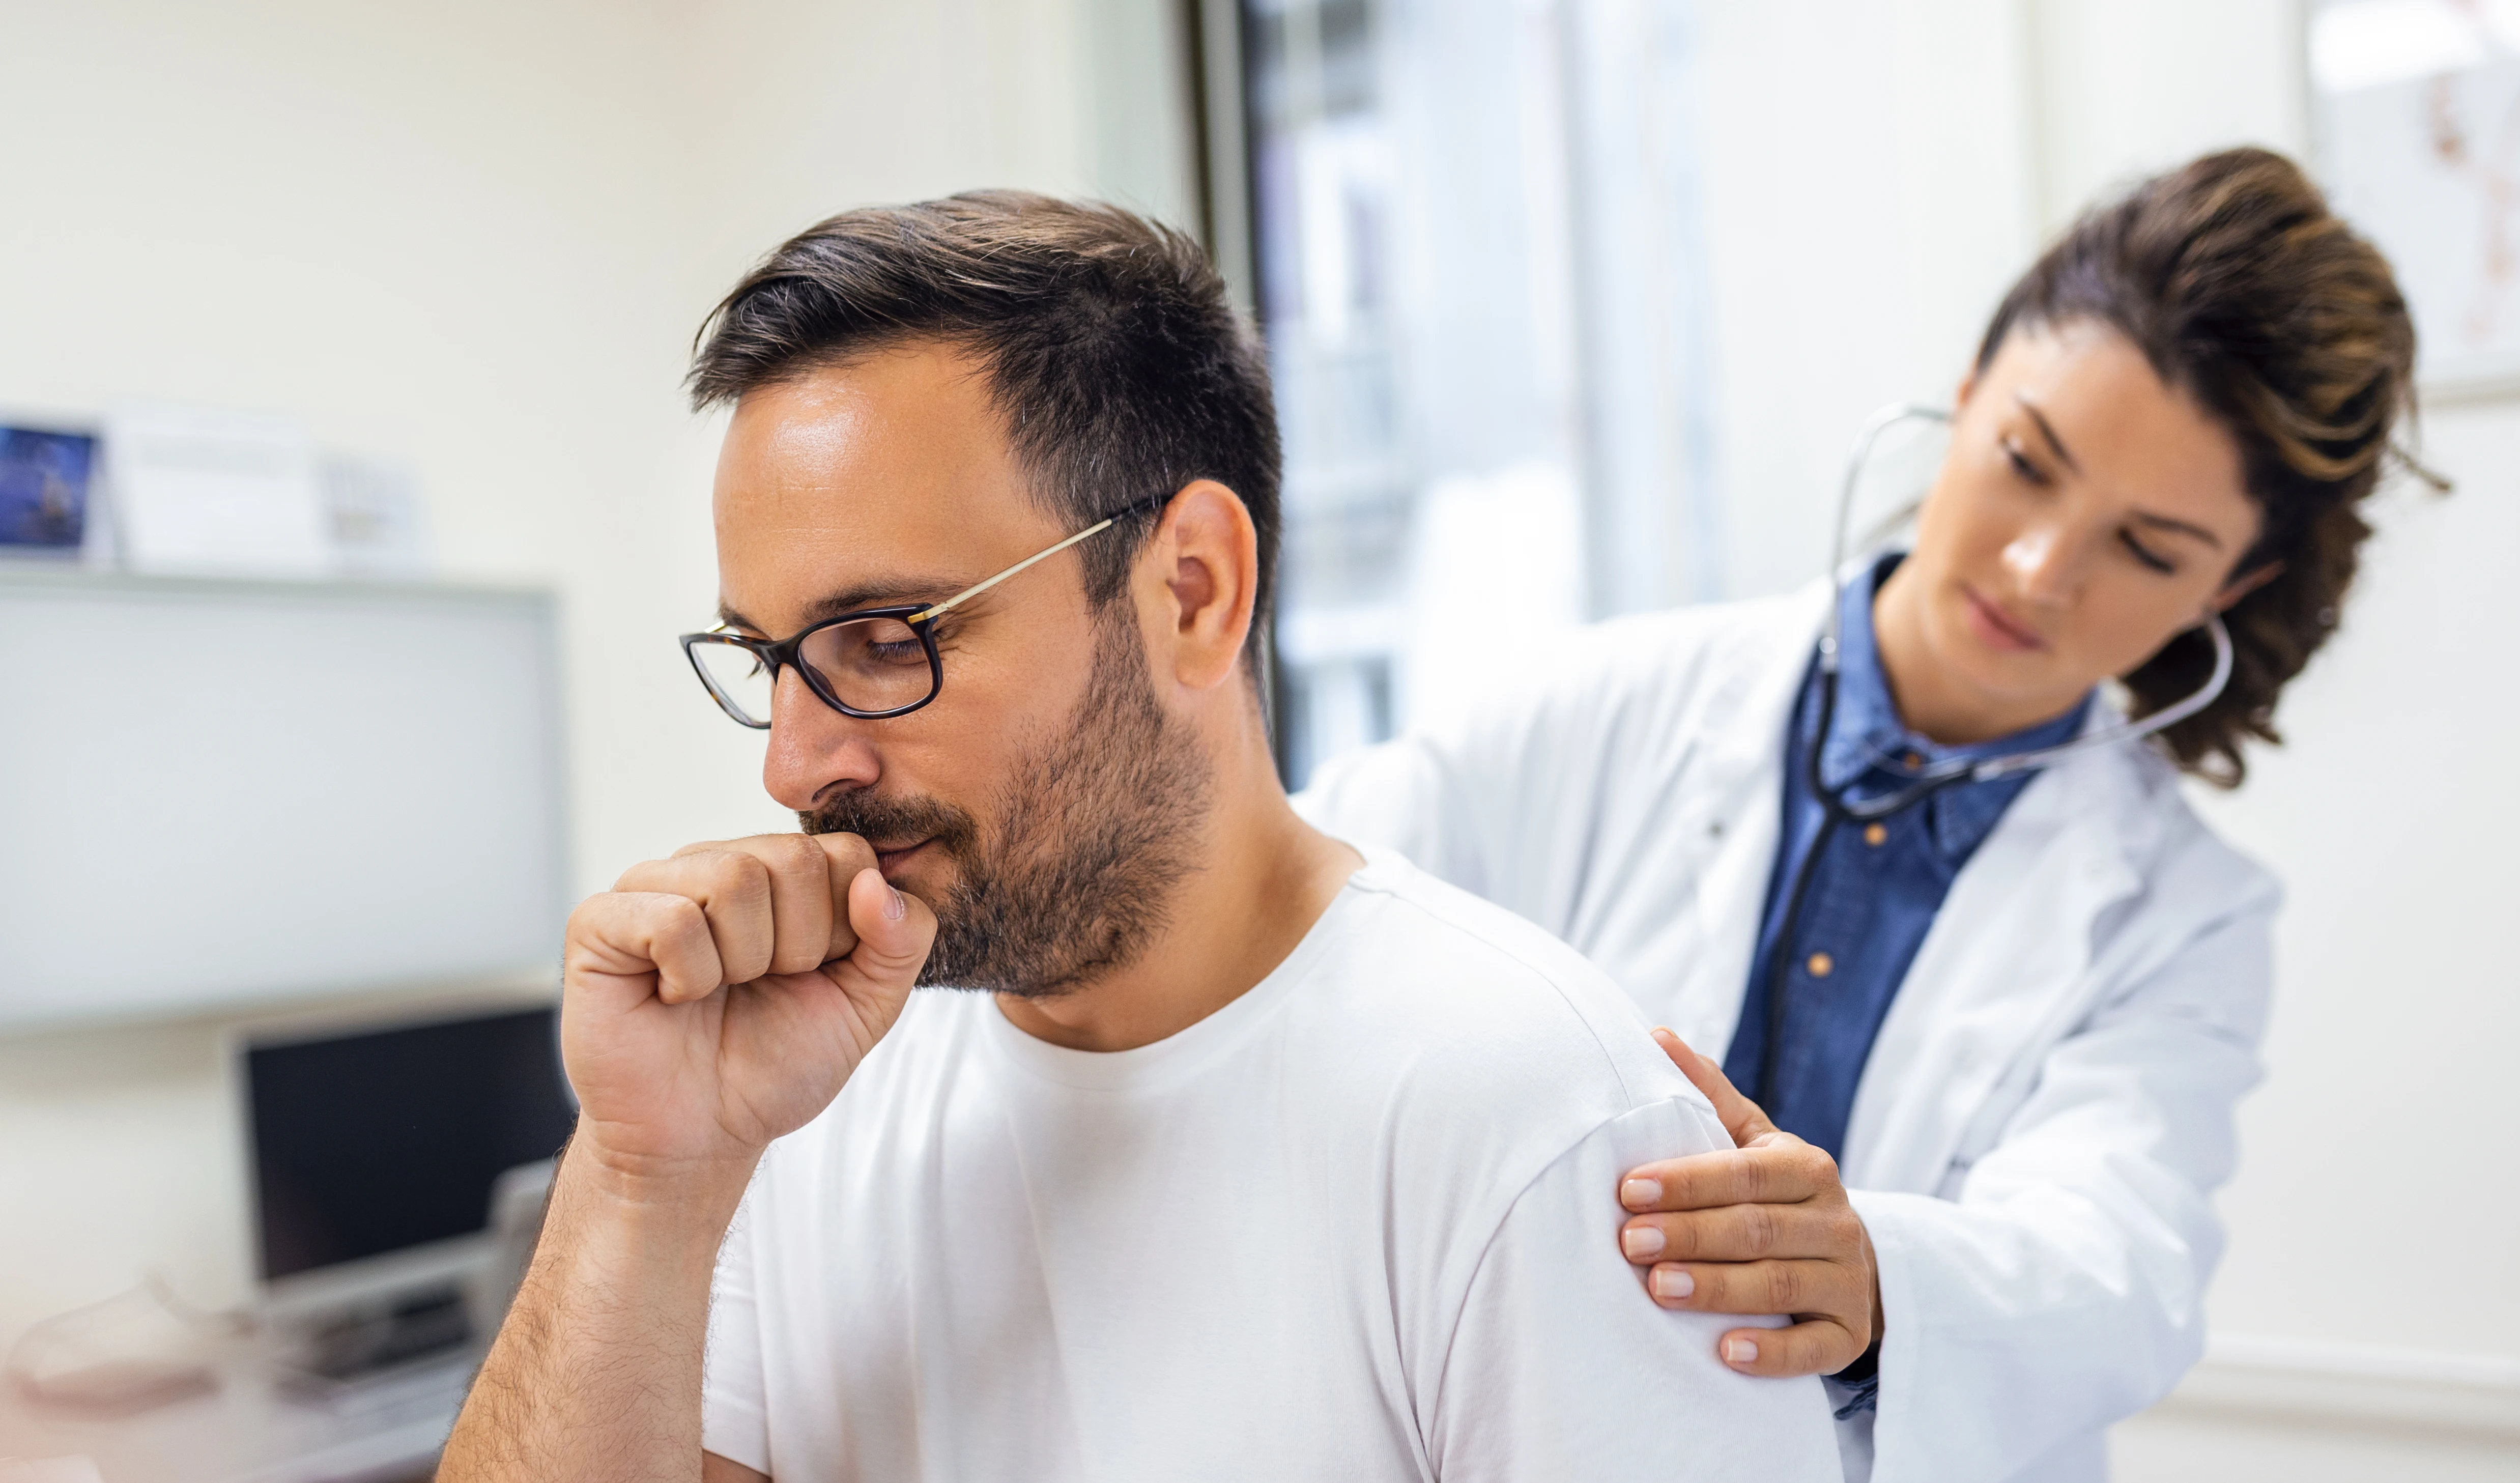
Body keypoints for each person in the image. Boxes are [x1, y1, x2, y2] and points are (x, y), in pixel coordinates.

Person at [435, 193, 1841, 1483]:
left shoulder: (1520, 1113)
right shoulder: (804, 1090)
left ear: (1189, 591)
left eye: (885, 639)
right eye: (771, 660)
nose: (796, 763)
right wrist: (642, 1181)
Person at [1296, 147, 2426, 1482]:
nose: (2037, 568)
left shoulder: (2181, 917)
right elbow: (1292, 900)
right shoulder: (1610, 702)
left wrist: (1873, 1273)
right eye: (2023, 459)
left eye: (2145, 549)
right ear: (1961, 398)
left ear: (2234, 583)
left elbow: (2117, 1261)